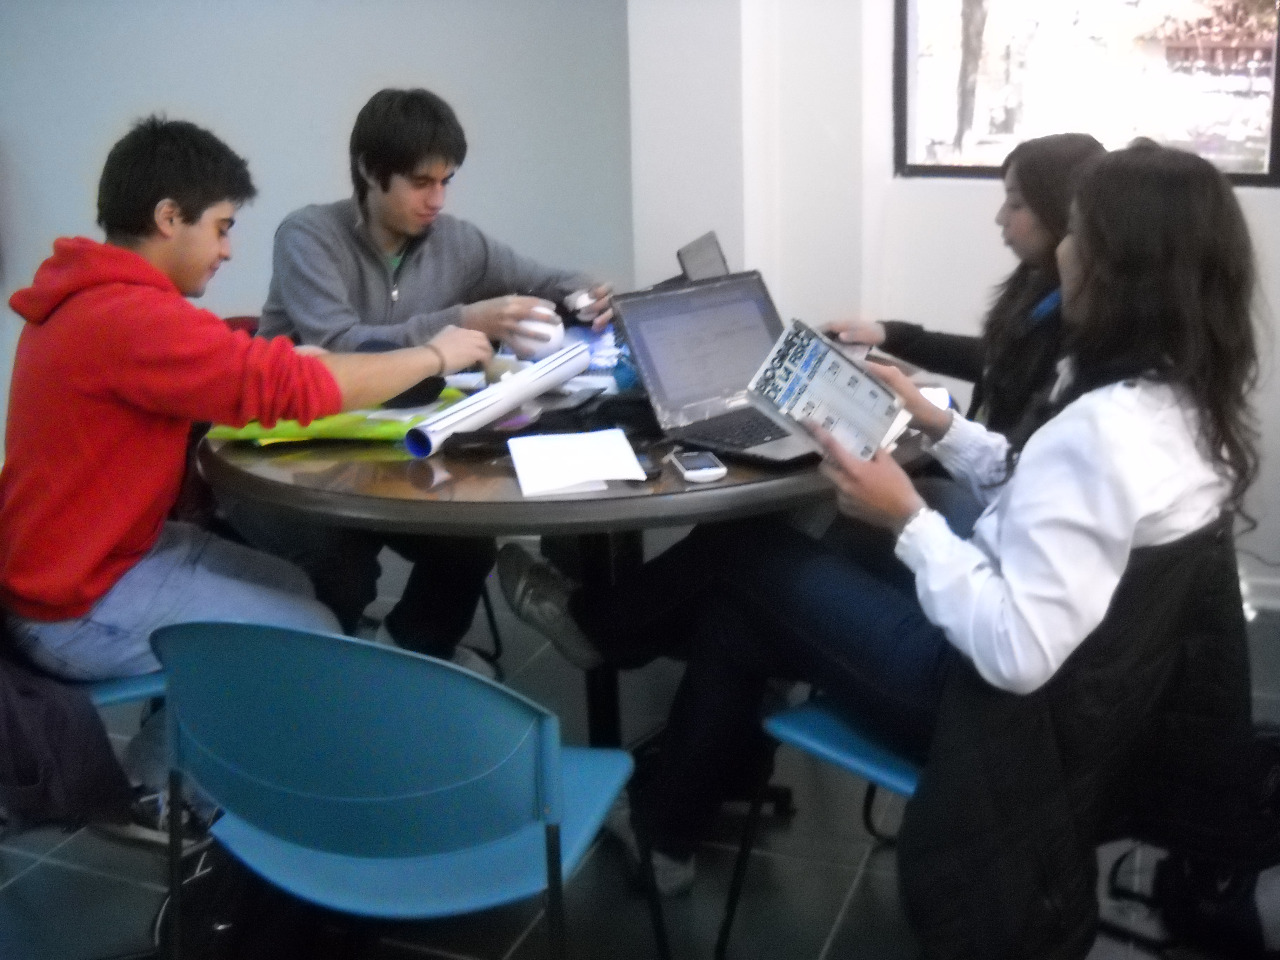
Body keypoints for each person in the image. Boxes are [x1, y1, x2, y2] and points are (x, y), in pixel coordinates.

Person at [500, 138, 1260, 950]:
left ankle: (603, 636)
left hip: (983, 712)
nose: (1065, 250)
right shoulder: (1179, 405)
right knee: (745, 610)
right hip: (1070, 710)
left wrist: (908, 518)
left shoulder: (1104, 433)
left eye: (1078, 233)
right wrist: (937, 425)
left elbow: (1015, 651)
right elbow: (1039, 491)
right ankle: (670, 825)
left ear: (1118, 269)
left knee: (749, 554)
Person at [0, 115, 492, 689]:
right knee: (314, 630)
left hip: (95, 557)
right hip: (73, 607)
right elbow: (290, 389)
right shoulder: (129, 317)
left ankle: (207, 728)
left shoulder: (100, 300)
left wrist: (293, 362)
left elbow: (230, 367)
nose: (227, 251)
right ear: (168, 218)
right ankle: (184, 746)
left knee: (295, 586)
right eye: (221, 228)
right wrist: (435, 355)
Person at [227, 87, 612, 675]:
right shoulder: (308, 236)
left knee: (467, 544)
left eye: (446, 181)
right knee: (344, 571)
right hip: (289, 462)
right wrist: (461, 322)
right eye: (420, 182)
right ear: (368, 170)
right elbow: (339, 346)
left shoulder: (457, 242)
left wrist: (588, 295)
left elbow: (548, 279)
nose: (437, 199)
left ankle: (406, 663)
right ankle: (324, 694)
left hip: (394, 454)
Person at [833, 132, 1105, 438]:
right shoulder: (1035, 281)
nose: (1000, 217)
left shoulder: (1078, 328)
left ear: (1060, 210)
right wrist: (888, 333)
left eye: (1016, 204)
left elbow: (1015, 447)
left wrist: (934, 420)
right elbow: (997, 359)